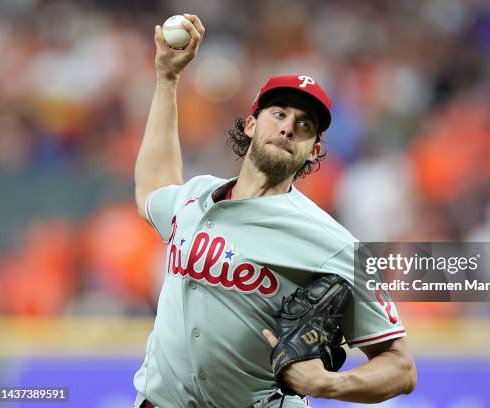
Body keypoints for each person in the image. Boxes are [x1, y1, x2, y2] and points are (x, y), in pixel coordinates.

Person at [133, 13, 417, 408]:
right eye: (279, 113)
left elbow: (401, 368)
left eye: (304, 125)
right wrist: (167, 79)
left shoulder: (334, 245)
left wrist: (330, 386)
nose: (287, 127)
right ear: (251, 124)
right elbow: (153, 188)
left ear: (314, 150)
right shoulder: (194, 197)